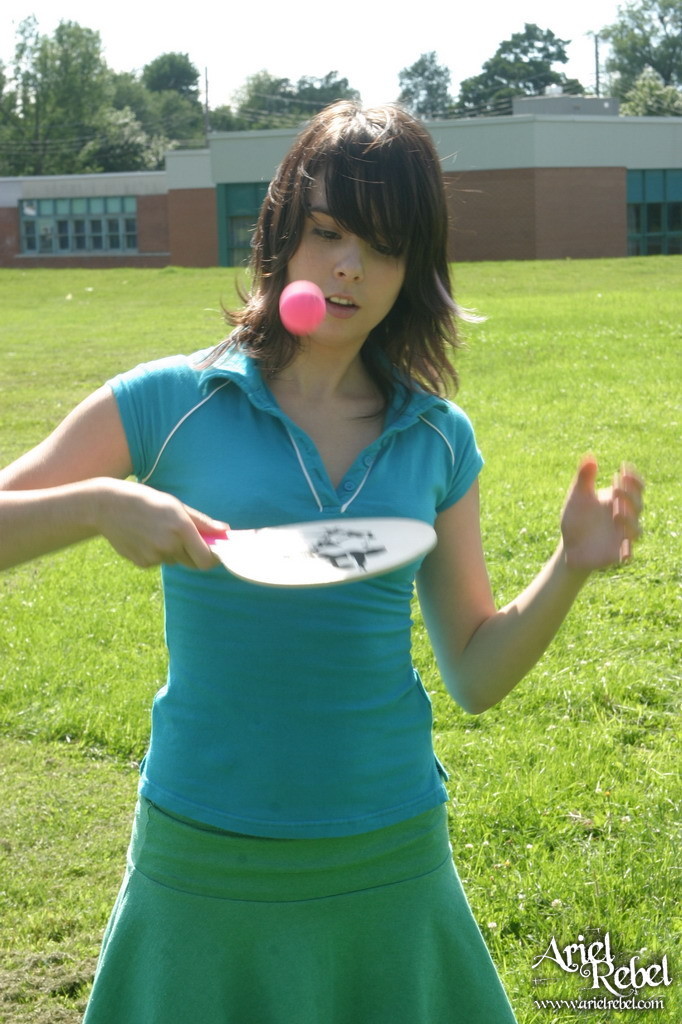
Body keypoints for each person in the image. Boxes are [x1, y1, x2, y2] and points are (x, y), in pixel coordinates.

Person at [0, 102, 643, 1024]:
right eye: (329, 232)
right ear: (281, 237)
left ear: (412, 268)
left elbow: (474, 669)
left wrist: (570, 565)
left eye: (380, 246)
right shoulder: (168, 400)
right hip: (206, 853)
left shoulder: (436, 438)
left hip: (386, 854)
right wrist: (102, 503)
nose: (348, 265)